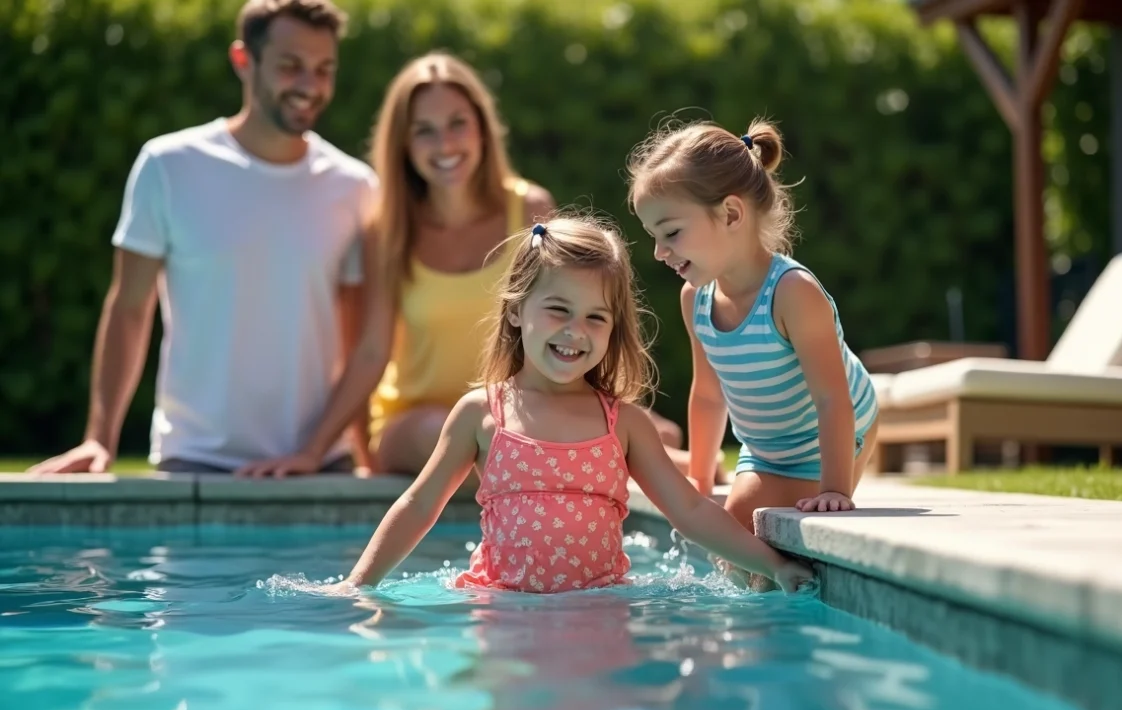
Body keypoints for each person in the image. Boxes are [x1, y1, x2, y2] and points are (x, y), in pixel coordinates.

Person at [239, 50, 710, 483]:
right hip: (415, 422)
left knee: (659, 433)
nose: (444, 142)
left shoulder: (529, 210)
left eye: (457, 123)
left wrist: (601, 405)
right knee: (475, 435)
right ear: (403, 143)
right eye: (424, 129)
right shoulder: (387, 230)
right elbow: (369, 352)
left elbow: (572, 312)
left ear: (482, 128)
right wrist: (315, 450)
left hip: (522, 406)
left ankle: (682, 472)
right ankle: (669, 472)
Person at [339, 214, 812, 593]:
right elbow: (420, 505)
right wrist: (358, 585)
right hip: (502, 610)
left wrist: (772, 566)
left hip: (599, 612)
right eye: (558, 310)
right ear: (517, 310)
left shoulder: (622, 423)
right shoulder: (482, 414)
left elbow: (689, 510)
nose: (575, 331)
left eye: (595, 318)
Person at [28, 0, 376, 476]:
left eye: (324, 69)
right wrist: (100, 439)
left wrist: (329, 449)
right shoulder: (168, 165)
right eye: (290, 66)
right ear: (242, 60)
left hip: (315, 463)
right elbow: (129, 309)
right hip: (194, 458)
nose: (310, 86)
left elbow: (362, 339)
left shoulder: (356, 187)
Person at [628, 118, 879, 586]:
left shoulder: (791, 293)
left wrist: (835, 490)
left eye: (671, 233)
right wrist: (700, 482)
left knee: (742, 529)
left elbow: (833, 398)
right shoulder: (697, 299)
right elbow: (707, 396)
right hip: (765, 449)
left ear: (730, 215)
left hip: (838, 429)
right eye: (653, 236)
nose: (659, 252)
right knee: (726, 534)